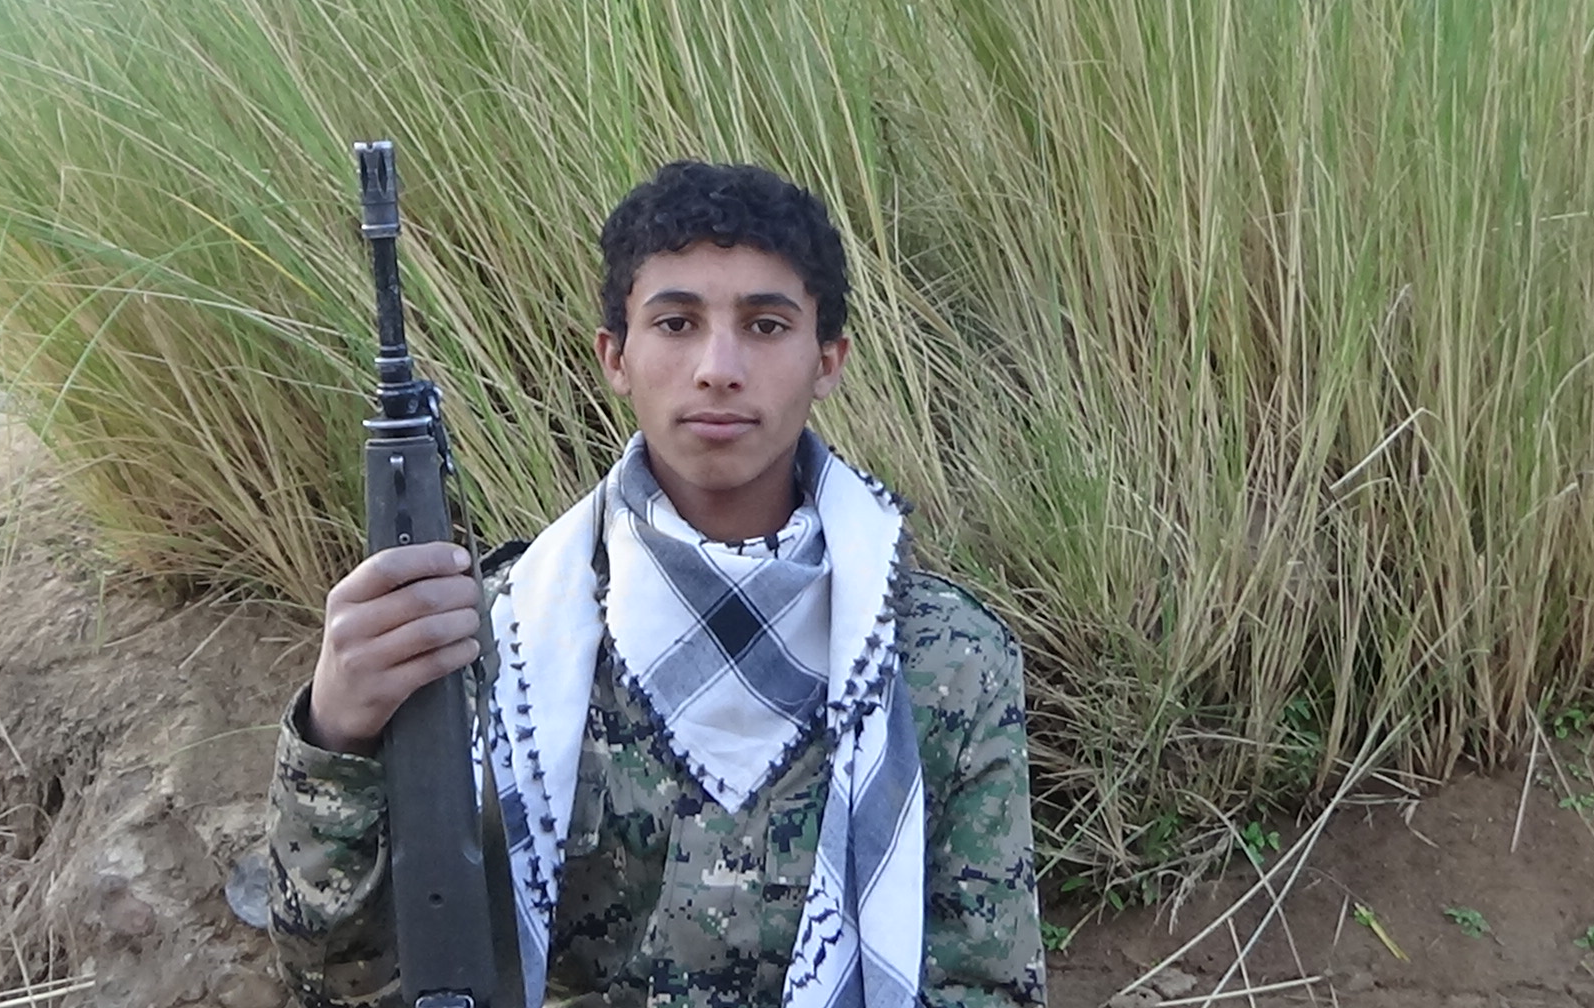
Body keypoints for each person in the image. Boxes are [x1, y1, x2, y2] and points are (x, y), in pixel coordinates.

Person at [267, 161, 1046, 1008]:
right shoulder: (494, 635)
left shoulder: (943, 659)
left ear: (827, 361)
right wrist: (335, 732)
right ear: (616, 357)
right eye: (676, 323)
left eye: (766, 325)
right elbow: (341, 974)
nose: (718, 367)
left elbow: (989, 986)